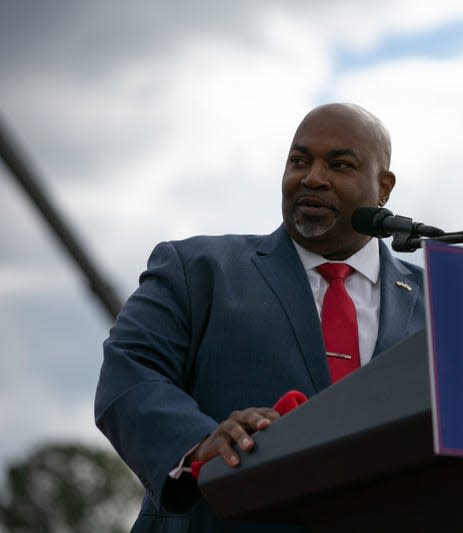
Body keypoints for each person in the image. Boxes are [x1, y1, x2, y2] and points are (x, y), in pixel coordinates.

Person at [95, 103, 427, 532]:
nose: (312, 178)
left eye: (339, 164)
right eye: (299, 161)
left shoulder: (442, 303)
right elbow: (129, 373)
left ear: (383, 188)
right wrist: (198, 445)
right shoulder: (198, 269)